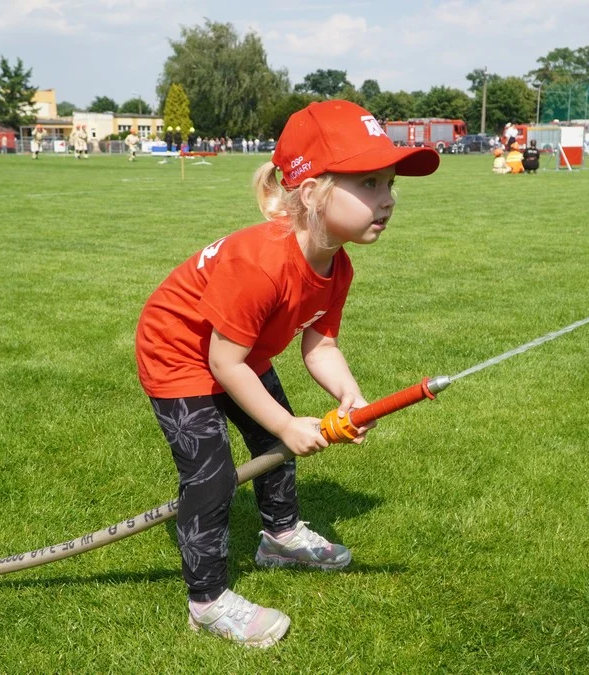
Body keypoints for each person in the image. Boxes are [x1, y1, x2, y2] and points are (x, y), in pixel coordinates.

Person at [135, 99, 439, 648]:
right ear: (312, 191)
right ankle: (205, 602)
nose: (388, 200)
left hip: (237, 350)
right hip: (179, 351)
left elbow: (320, 343)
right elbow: (221, 363)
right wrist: (284, 424)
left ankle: (279, 537)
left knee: (271, 438)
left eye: (390, 184)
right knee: (213, 476)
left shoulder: (336, 261)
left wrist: (349, 393)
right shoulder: (260, 261)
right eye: (369, 183)